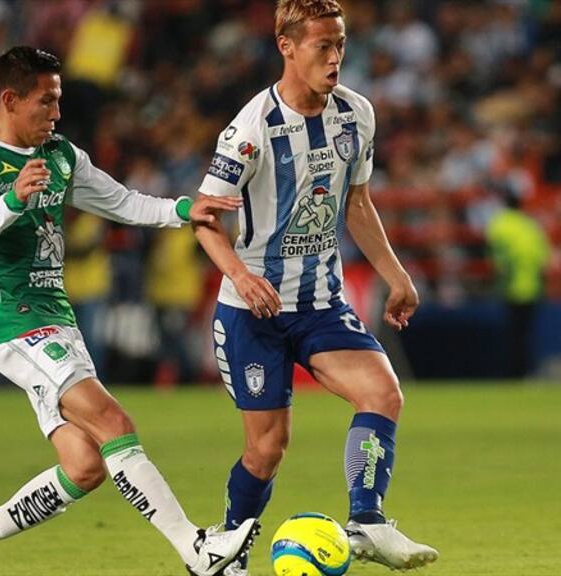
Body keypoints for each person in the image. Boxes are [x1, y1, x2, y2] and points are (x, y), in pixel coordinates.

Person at [0, 46, 259, 576]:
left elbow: (122, 202)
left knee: (83, 468)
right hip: (15, 324)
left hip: (58, 320)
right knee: (113, 420)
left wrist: (181, 209)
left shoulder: (61, 155)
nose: (56, 113)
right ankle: (196, 551)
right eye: (46, 102)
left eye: (58, 101)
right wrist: (11, 200)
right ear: (10, 100)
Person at [189, 2, 439, 573]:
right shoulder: (251, 129)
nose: (334, 58)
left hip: (321, 303)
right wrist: (241, 276)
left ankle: (367, 522)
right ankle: (226, 549)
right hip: (252, 312)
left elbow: (356, 202)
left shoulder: (356, 115)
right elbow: (204, 217)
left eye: (340, 44)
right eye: (321, 46)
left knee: (383, 394)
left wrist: (395, 274)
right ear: (287, 46)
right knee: (267, 449)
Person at [485, 192, 550, 378]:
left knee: (511, 336)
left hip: (510, 289)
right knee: (526, 336)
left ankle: (512, 374)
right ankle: (525, 373)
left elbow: (496, 259)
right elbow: (542, 260)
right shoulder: (531, 226)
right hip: (532, 288)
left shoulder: (499, 225)